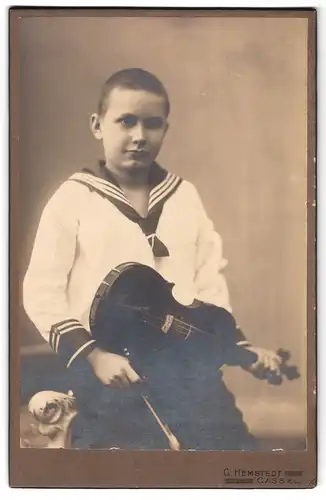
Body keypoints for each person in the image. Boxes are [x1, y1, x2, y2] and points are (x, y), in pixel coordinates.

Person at [23, 68, 282, 450]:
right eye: (126, 121)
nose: (139, 136)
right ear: (97, 125)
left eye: (152, 124)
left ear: (165, 129)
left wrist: (237, 348)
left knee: (233, 454)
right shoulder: (73, 198)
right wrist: (94, 356)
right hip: (112, 369)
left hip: (186, 368)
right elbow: (41, 291)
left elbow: (207, 279)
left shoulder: (183, 196)